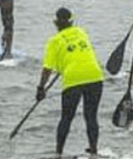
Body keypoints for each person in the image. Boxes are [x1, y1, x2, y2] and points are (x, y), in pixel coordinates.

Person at [36, 8, 104, 157]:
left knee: (66, 117)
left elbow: (47, 69)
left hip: (73, 79)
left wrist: (41, 88)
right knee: (91, 116)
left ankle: (58, 153)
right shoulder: (81, 32)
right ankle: (93, 151)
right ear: (71, 21)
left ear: (55, 23)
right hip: (95, 75)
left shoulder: (54, 41)